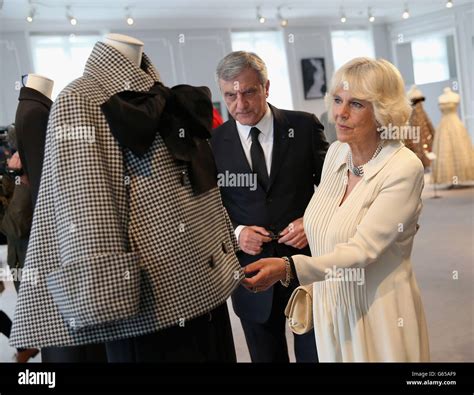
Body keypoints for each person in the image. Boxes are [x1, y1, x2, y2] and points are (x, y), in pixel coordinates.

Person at [243, 57, 430, 362]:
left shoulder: (402, 167)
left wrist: (289, 267)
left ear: (383, 111)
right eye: (338, 100)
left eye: (356, 104)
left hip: (379, 311)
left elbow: (363, 251)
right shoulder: (336, 152)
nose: (340, 114)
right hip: (331, 306)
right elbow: (326, 223)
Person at [211, 51, 328, 362]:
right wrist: (236, 233)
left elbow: (336, 187)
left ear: (266, 87)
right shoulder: (211, 142)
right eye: (230, 95)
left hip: (306, 266)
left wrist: (311, 222)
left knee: (316, 355)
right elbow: (208, 206)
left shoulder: (303, 127)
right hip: (251, 272)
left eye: (249, 92)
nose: (240, 104)